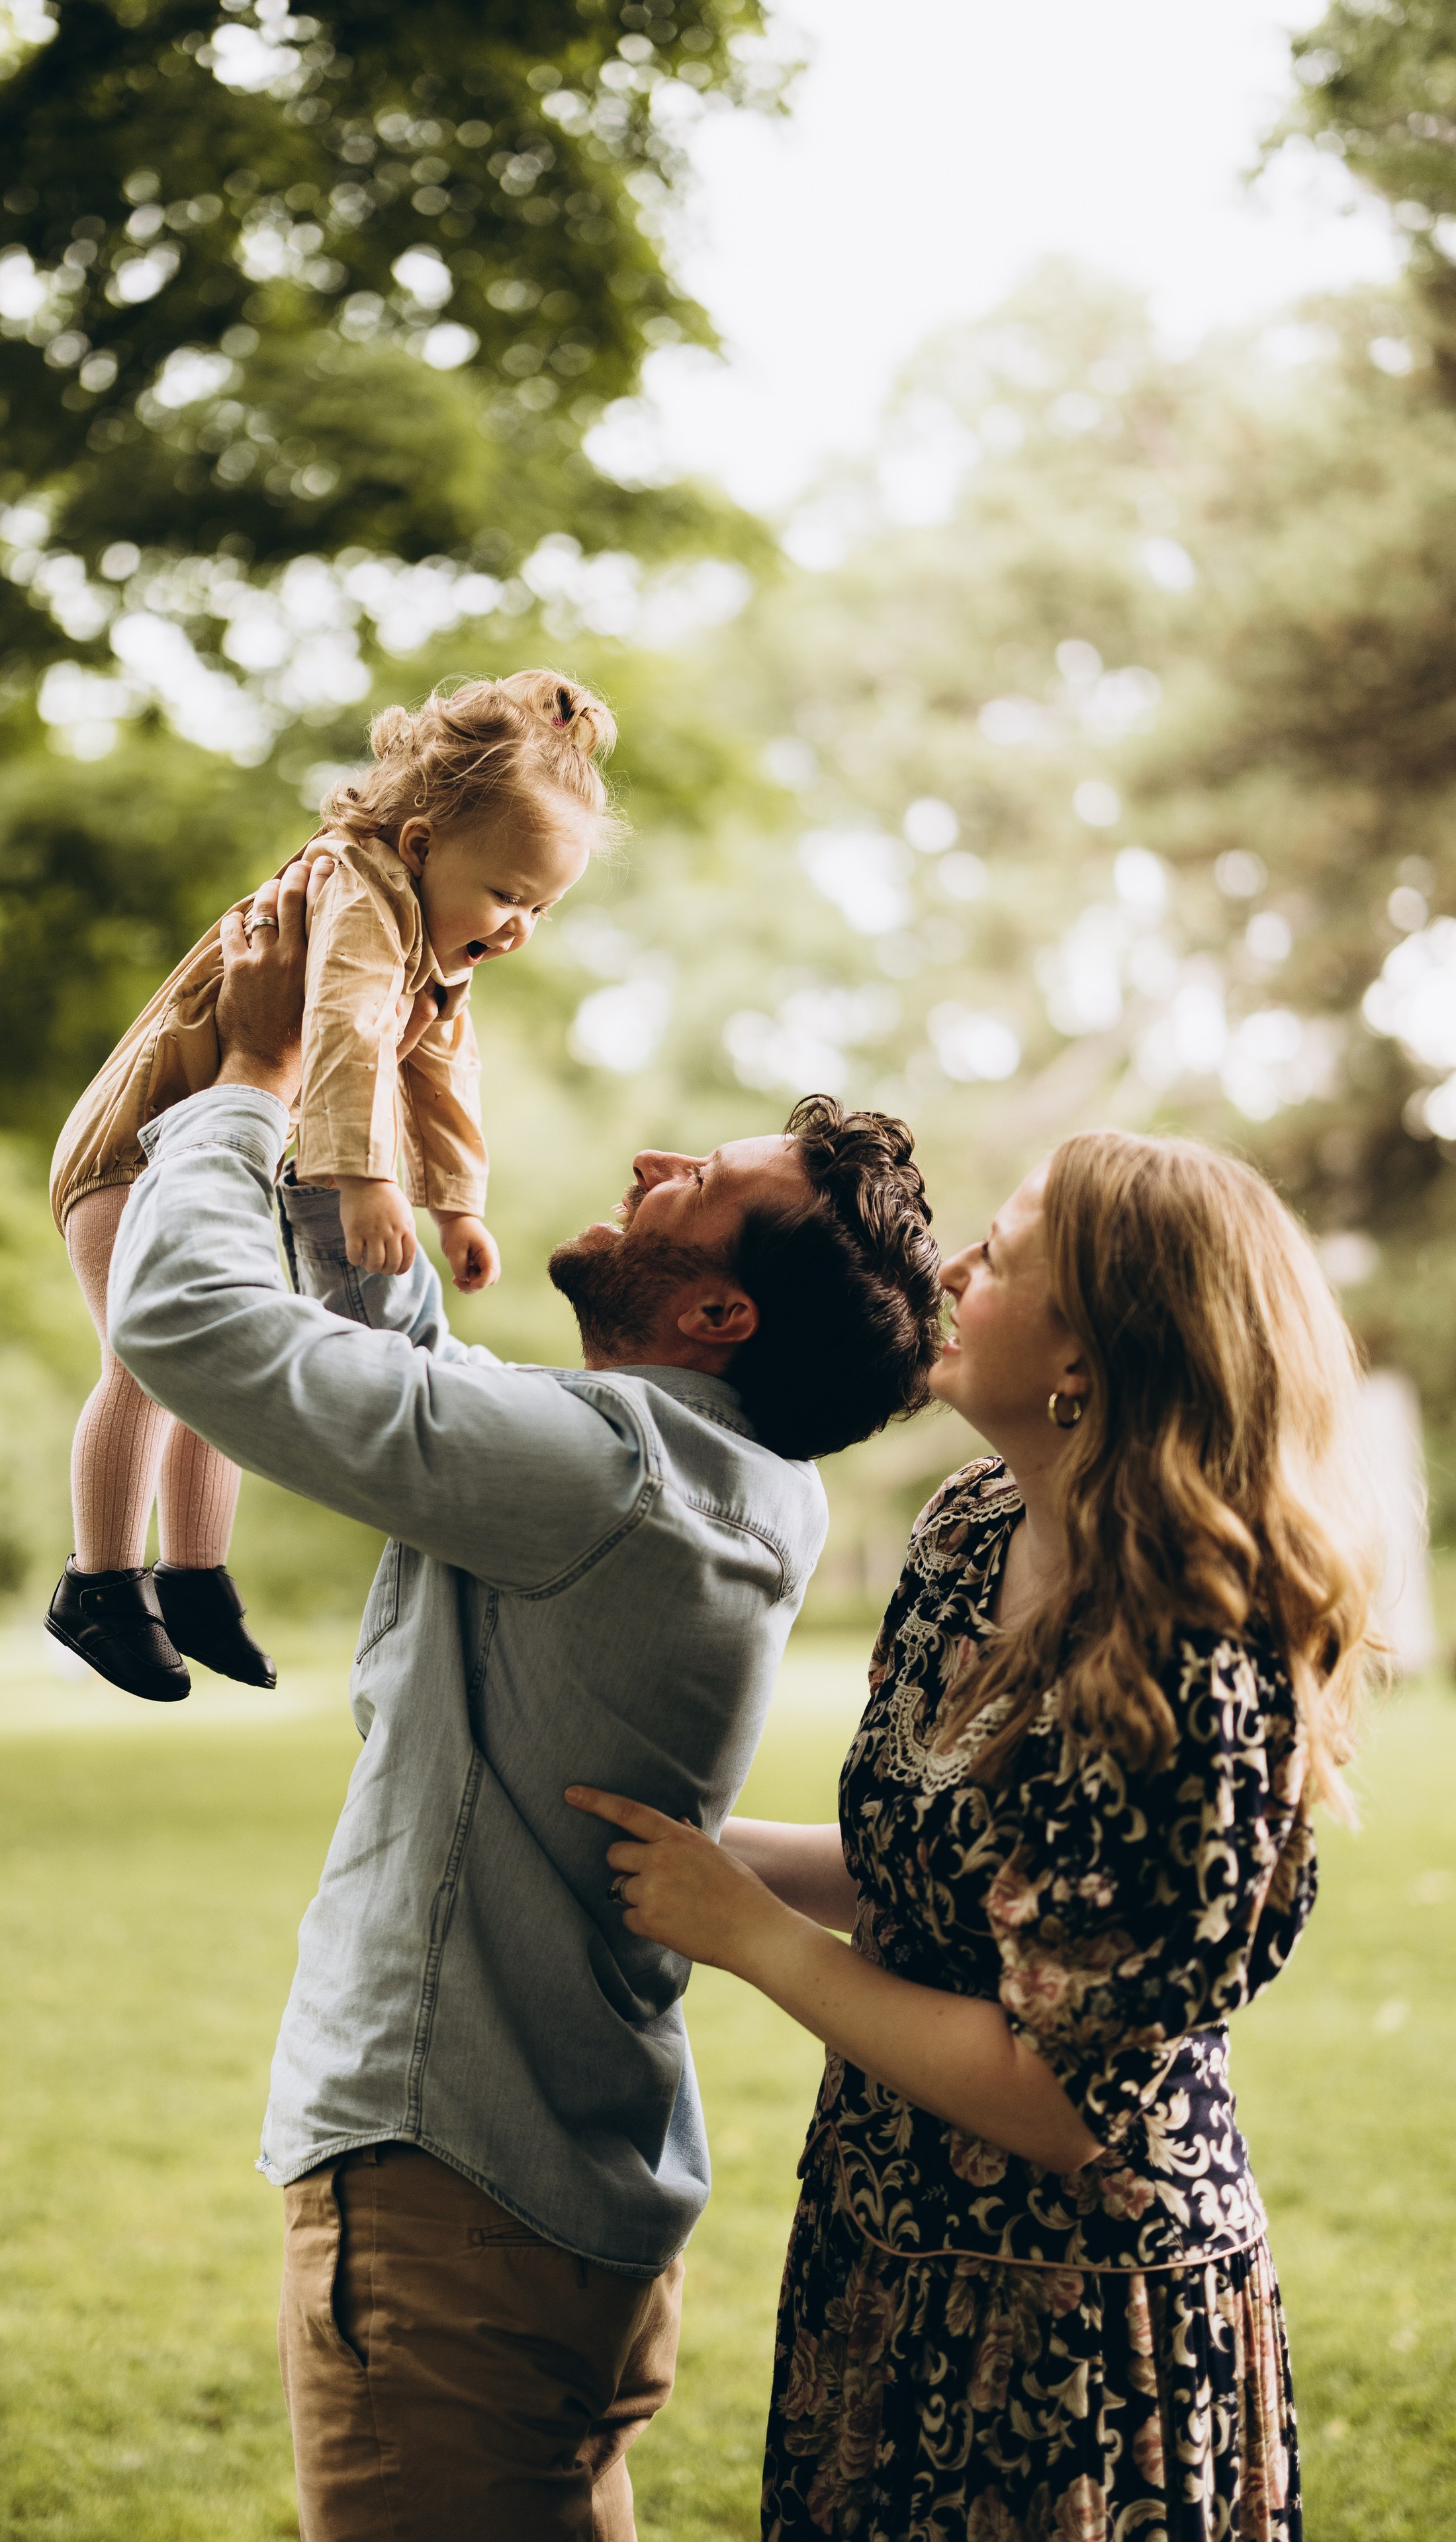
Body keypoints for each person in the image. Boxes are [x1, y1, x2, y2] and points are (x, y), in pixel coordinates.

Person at [100, 854, 949, 2541]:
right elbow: (414, 1380)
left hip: (451, 2204)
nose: (647, 1163)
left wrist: (250, 1090)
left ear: (714, 1311)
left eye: (694, 1181)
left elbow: (188, 1318)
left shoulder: (613, 1477)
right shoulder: (723, 1482)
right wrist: (376, 1109)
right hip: (565, 2200)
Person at [570, 1129, 1381, 2542]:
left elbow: (1056, 2097)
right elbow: (937, 1873)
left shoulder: (1193, 1660)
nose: (949, 1269)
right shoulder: (967, 1528)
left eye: (998, 1261)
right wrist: (696, 1854)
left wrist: (745, 1932)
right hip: (880, 2248)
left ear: (1091, 1356)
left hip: (1072, 2332)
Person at [46, 670, 611, 1703]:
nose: (519, 926)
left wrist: (456, 1204)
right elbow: (347, 1030)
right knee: (146, 1363)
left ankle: (194, 1579)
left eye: (539, 908)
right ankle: (98, 1584)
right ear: (422, 842)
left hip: (208, 1154)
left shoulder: (434, 945)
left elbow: (440, 1069)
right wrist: (363, 1181)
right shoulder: (355, 888)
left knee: (215, 1367)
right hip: (134, 1149)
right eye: (506, 893)